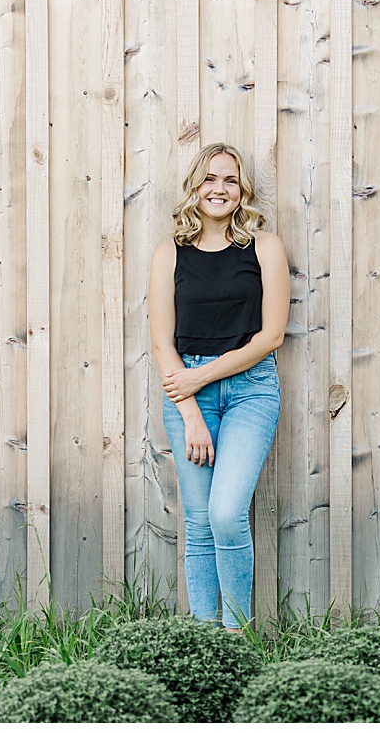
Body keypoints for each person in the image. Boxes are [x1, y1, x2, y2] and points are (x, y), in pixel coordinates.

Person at [148, 142, 289, 630]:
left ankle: (236, 638)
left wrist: (202, 375)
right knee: (199, 522)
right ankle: (205, 643)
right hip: (188, 397)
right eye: (210, 179)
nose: (219, 189)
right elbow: (162, 343)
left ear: (242, 190)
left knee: (227, 513)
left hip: (251, 390)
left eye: (230, 180)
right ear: (195, 186)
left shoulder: (264, 247)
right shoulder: (169, 254)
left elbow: (271, 335)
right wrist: (190, 412)